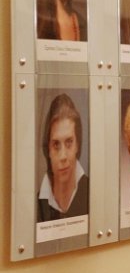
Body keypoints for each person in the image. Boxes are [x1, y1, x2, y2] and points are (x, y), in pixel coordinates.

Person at [38, 93, 89, 222]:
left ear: (77, 145)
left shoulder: (93, 193)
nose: (63, 156)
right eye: (56, 145)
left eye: (69, 142)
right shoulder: (36, 206)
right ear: (48, 150)